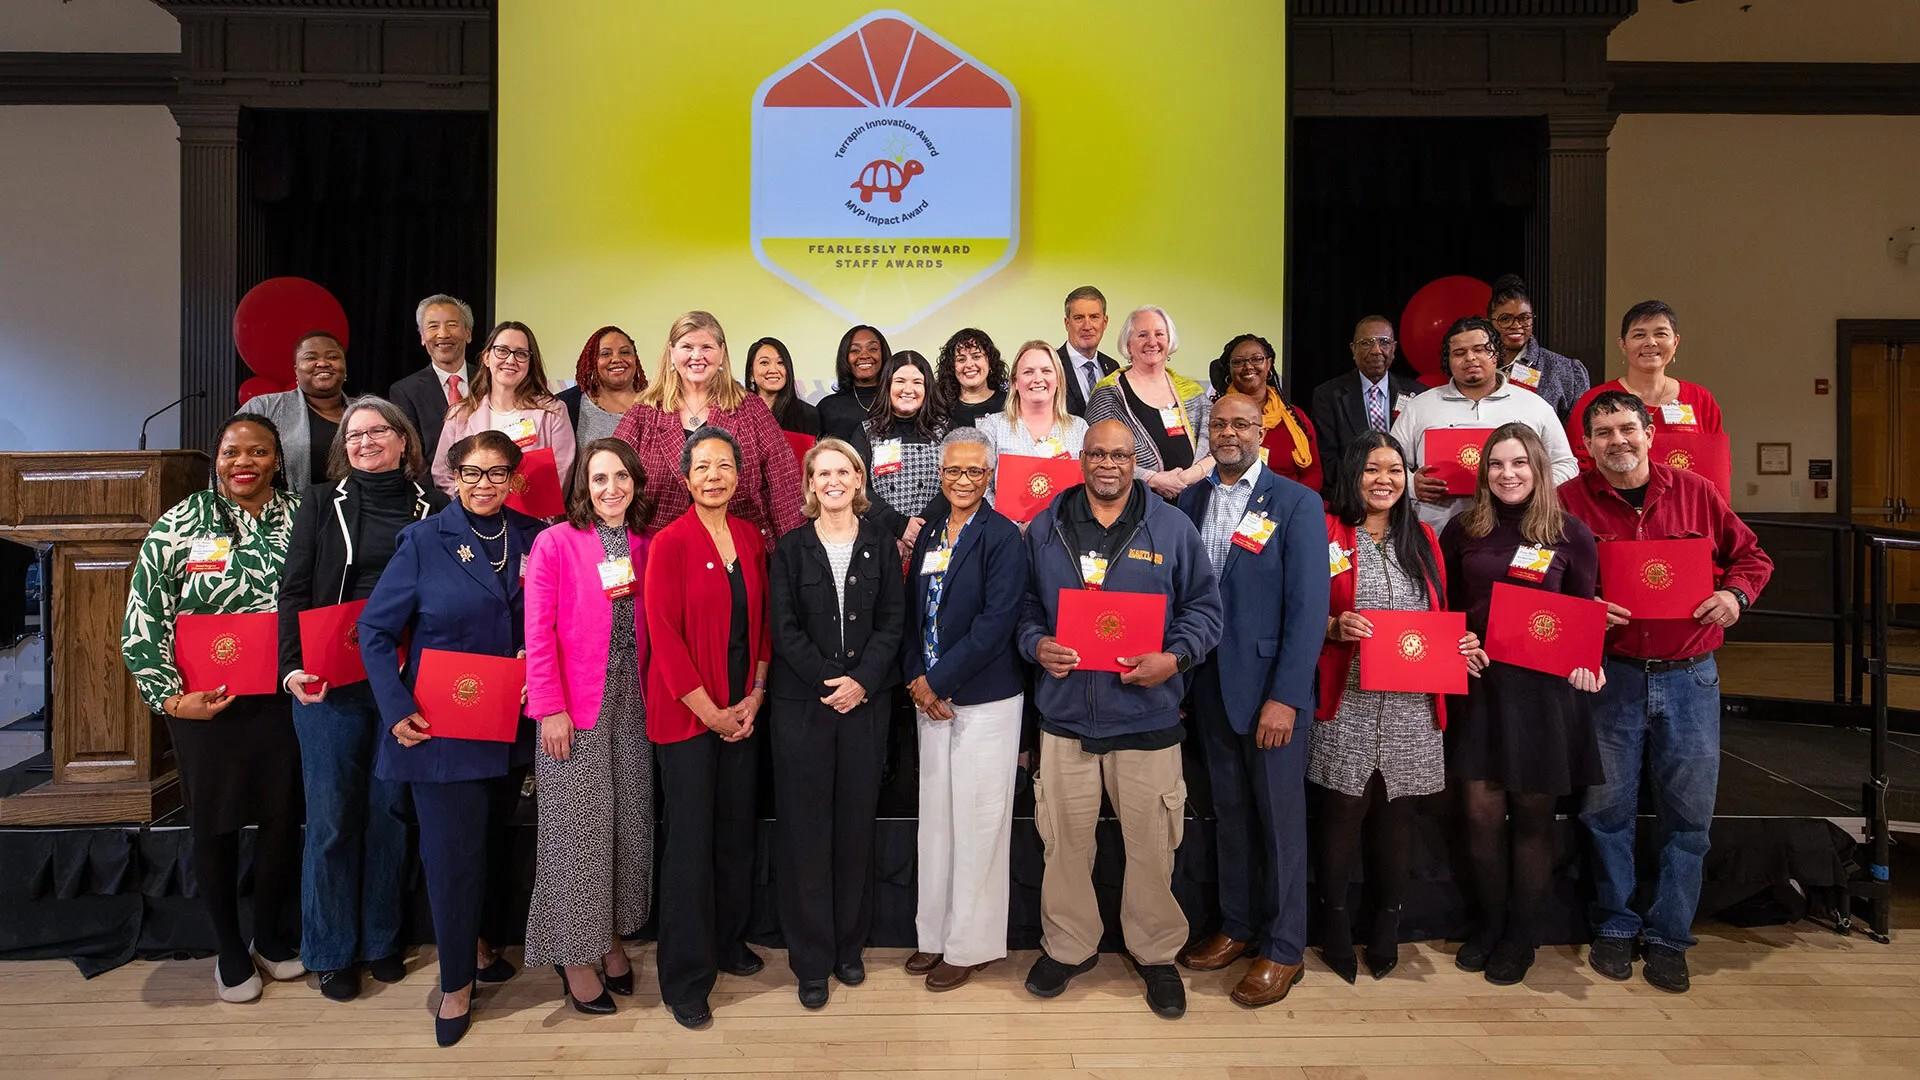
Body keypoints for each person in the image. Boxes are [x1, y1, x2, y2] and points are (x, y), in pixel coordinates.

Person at [1560, 390, 1772, 994]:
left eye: (1627, 429)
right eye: (1603, 433)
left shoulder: (1698, 493)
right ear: (1588, 444)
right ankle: (1615, 926)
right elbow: (1544, 585)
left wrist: (1735, 597)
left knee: (1689, 818)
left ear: (1650, 434)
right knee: (1605, 813)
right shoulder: (1567, 504)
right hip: (1612, 677)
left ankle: (1671, 935)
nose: (1617, 442)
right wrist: (1584, 610)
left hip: (1690, 675)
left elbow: (1752, 558)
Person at [1016, 419, 1224, 1019]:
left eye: (1120, 455)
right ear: (1080, 458)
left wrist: (1174, 657)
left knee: (1154, 847)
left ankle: (1155, 954)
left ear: (1136, 460)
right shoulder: (1047, 527)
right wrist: (1036, 644)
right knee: (1064, 845)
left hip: (1148, 719)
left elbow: (1205, 611)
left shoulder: (1173, 527)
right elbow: (1025, 605)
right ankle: (1068, 947)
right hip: (1064, 718)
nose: (1108, 464)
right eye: (1097, 454)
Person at [360, 429, 543, 1046]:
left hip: (510, 726)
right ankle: (457, 984)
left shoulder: (535, 536)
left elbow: (547, 619)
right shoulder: (421, 541)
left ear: (515, 479)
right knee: (452, 858)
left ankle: (482, 948)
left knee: (489, 847)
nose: (484, 484)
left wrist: (535, 662)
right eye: (472, 473)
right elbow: (375, 633)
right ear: (452, 477)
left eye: (497, 474)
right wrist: (394, 707)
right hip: (441, 730)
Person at [121, 414, 305, 1003]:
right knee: (216, 825)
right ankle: (228, 949)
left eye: (257, 451)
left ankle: (272, 938)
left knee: (282, 822)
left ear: (277, 459)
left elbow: (327, 598)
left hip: (285, 698)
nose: (243, 462)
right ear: (216, 460)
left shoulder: (303, 518)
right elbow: (143, 618)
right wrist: (171, 698)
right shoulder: (181, 523)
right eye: (231, 452)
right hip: (205, 706)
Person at [277, 396, 445, 1002]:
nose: (366, 441)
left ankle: (381, 939)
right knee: (331, 817)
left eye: (378, 431)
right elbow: (293, 589)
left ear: (405, 441)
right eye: (354, 435)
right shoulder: (321, 504)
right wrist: (292, 667)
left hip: (405, 682)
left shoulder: (437, 507)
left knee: (391, 813)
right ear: (342, 450)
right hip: (330, 683)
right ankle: (329, 950)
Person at [1171, 393, 1329, 1006]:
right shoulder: (1192, 499)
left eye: (1241, 422)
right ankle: (1237, 927)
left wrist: (1286, 696)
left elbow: (1309, 609)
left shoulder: (1295, 503)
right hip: (1206, 689)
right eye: (1219, 424)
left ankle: (1285, 947)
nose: (1229, 432)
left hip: (1269, 695)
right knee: (1230, 816)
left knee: (1281, 823)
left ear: (1261, 429)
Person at [1314, 432, 1485, 984]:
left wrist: (1460, 645)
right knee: (1341, 815)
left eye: (1393, 469)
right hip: (1349, 699)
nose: (1383, 480)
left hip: (1412, 704)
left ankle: (1386, 922)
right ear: (1351, 476)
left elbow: (1442, 615)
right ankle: (1335, 922)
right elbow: (1296, 611)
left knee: (1396, 817)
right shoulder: (1326, 532)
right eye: (1370, 470)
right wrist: (1332, 627)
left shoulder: (1425, 541)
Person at [1440, 422, 1605, 986]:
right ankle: (1488, 926)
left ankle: (1521, 938)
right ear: (1484, 473)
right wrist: (1457, 644)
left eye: (1519, 463)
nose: (1508, 474)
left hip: (1543, 697)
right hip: (1481, 689)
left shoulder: (1571, 534)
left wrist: (1589, 660)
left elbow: (1584, 615)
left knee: (1533, 820)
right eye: (1496, 464)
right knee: (1480, 816)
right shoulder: (1463, 531)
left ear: (1538, 467)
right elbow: (1448, 608)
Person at [767, 438, 905, 1008]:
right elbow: (784, 627)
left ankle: (849, 948)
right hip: (804, 708)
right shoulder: (790, 549)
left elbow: (893, 623)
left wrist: (862, 681)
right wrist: (831, 680)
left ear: (858, 479)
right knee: (805, 835)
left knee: (853, 831)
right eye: (821, 472)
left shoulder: (880, 544)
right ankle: (811, 959)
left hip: (866, 707)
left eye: (842, 470)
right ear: (808, 484)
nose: (832, 480)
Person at [643, 427, 773, 1029]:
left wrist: (754, 695)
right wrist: (710, 711)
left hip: (742, 715)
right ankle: (686, 979)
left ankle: (727, 941)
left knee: (734, 836)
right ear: (686, 477)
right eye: (703, 467)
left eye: (725, 465)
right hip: (688, 721)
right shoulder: (668, 543)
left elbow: (763, 624)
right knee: (690, 848)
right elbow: (663, 639)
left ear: (739, 476)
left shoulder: (749, 536)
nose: (714, 475)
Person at [522, 438, 657, 1016]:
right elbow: (538, 630)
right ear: (582, 486)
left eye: (621, 477)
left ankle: (612, 939)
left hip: (634, 704)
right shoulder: (554, 542)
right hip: (573, 708)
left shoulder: (646, 544)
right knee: (576, 837)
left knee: (628, 826)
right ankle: (575, 957)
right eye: (599, 479)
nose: (611, 489)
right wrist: (549, 706)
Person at [901, 429, 1029, 991]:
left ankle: (971, 944)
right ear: (941, 472)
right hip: (929, 700)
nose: (963, 480)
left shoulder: (1003, 538)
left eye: (975, 472)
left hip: (984, 701)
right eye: (954, 470)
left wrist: (937, 682)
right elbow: (911, 613)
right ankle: (934, 935)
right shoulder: (931, 530)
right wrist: (915, 679)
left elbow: (995, 624)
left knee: (979, 826)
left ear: (991, 475)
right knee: (937, 825)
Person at [612, 311, 804, 541]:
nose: (697, 356)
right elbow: (612, 477)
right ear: (672, 352)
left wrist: (793, 556)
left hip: (741, 545)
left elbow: (785, 487)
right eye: (687, 347)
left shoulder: (751, 409)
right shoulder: (643, 413)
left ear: (721, 353)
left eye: (706, 347)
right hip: (662, 548)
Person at [1390, 316, 1576, 534]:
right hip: (1435, 534)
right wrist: (1413, 485)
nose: (1470, 358)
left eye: (1480, 349)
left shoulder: (1533, 405)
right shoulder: (1420, 406)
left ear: (1496, 354)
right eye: (1459, 353)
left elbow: (1566, 464)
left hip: (1517, 532)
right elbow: (1387, 464)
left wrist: (1530, 485)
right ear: (1448, 360)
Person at [1565, 301, 1725, 474]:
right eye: (1639, 335)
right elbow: (1579, 466)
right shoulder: (1593, 400)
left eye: (1661, 334)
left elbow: (1716, 465)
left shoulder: (1700, 399)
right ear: (1623, 344)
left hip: (1686, 500)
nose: (1650, 342)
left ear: (1676, 342)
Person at [431, 320, 576, 498]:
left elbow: (561, 472)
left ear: (530, 362)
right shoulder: (460, 414)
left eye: (521, 354)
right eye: (502, 350)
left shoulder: (552, 412)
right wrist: (471, 506)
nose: (510, 360)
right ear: (486, 357)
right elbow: (442, 473)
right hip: (471, 519)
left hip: (531, 521)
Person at [1085, 305, 1213, 500]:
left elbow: (1215, 445)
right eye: (1142, 335)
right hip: (1134, 503)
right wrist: (1152, 478)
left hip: (1193, 500)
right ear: (1128, 345)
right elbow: (1093, 456)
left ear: (1169, 341)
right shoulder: (1108, 393)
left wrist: (1190, 476)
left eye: (1160, 334)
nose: (1152, 342)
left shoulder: (1191, 392)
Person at [848, 349, 948, 550]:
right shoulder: (865, 432)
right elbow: (856, 486)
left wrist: (919, 527)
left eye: (917, 382)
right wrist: (899, 526)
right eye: (900, 381)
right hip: (879, 539)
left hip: (934, 537)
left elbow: (955, 484)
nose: (908, 389)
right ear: (887, 385)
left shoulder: (946, 430)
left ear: (927, 388)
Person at [976, 340, 1090, 504]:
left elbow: (1089, 485)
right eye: (1028, 372)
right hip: (1006, 527)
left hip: (1065, 527)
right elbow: (980, 485)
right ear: (1015, 382)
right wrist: (1007, 526)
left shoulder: (1079, 428)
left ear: (1058, 379)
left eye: (1046, 371)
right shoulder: (993, 426)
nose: (1038, 379)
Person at [1207, 333, 1323, 492]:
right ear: (1229, 369)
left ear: (1269, 364)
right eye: (1238, 362)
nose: (1248, 366)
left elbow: (1313, 473)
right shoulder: (1214, 414)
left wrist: (1291, 504)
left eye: (1256, 359)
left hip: (1287, 505)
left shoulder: (1296, 417)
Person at [1309, 315, 1427, 470]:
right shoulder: (1327, 395)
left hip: (1406, 489)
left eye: (1384, 342)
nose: (1376, 351)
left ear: (1394, 348)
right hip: (1352, 489)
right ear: (1353, 349)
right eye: (1366, 343)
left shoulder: (1418, 394)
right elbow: (1327, 459)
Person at [240, 330, 349, 487]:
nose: (323, 363)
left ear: (344, 367)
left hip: (356, 509)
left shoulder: (369, 413)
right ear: (296, 370)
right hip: (286, 510)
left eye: (333, 357)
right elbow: (228, 460)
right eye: (311, 357)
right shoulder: (263, 408)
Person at [1486, 274, 1589, 422]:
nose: (1516, 326)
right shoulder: (1479, 365)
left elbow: (1580, 430)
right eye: (1505, 319)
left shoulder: (1564, 369)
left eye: (1524, 318)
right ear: (1491, 322)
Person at [388, 294, 478, 462]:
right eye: (433, 326)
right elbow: (411, 455)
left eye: (452, 325)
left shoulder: (489, 380)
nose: (443, 334)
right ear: (422, 336)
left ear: (468, 333)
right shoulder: (405, 391)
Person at [558, 325, 647, 446]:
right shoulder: (567, 404)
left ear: (635, 358)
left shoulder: (658, 402)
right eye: (605, 354)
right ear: (592, 361)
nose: (616, 359)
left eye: (625, 352)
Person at [816, 325, 891, 444]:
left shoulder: (899, 403)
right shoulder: (827, 408)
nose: (864, 355)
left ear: (883, 354)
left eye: (873, 349)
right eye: (855, 350)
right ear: (845, 358)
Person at [1057, 285, 1120, 417]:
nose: (1087, 326)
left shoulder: (1113, 367)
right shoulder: (1052, 365)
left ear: (1105, 322)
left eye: (1094, 317)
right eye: (1079, 318)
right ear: (1067, 323)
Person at [745, 336, 821, 437]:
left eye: (780, 363)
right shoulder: (739, 413)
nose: (773, 369)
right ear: (751, 373)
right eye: (764, 363)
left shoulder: (807, 415)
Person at [936, 327, 1009, 430]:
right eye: (961, 359)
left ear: (990, 362)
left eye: (976, 357)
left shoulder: (1010, 403)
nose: (969, 365)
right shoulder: (941, 409)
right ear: (951, 367)